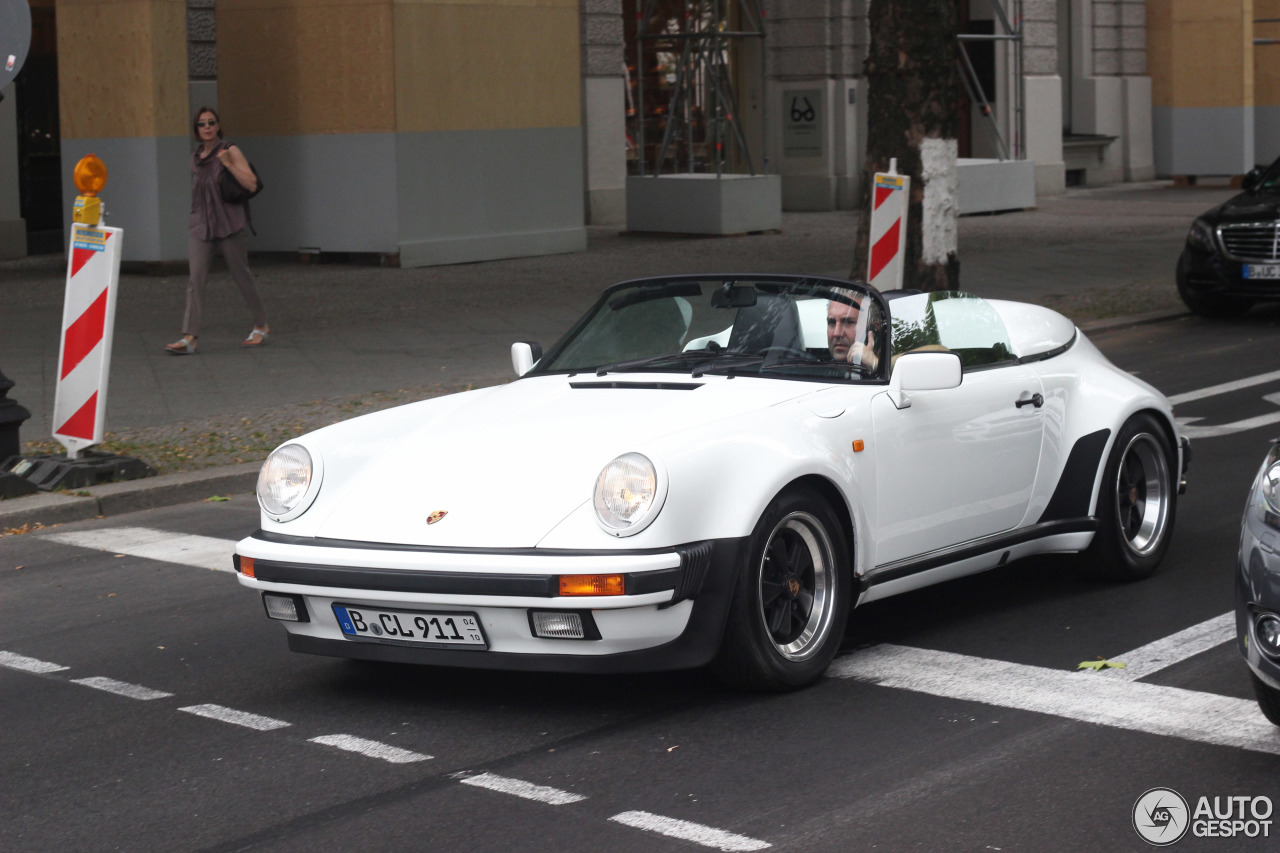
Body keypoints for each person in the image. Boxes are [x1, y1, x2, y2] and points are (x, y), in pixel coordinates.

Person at [166, 107, 269, 354]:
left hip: (229, 223)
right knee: (195, 279)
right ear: (196, 130)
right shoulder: (194, 158)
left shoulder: (230, 150)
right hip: (201, 224)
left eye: (212, 122)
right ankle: (190, 337)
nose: (207, 127)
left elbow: (251, 183)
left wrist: (229, 165)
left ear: (218, 125)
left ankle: (261, 324)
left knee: (241, 275)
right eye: (202, 124)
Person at [826, 295, 880, 373]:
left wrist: (875, 364)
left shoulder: (897, 367)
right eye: (832, 322)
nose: (836, 333)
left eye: (848, 322)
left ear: (873, 330)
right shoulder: (816, 369)